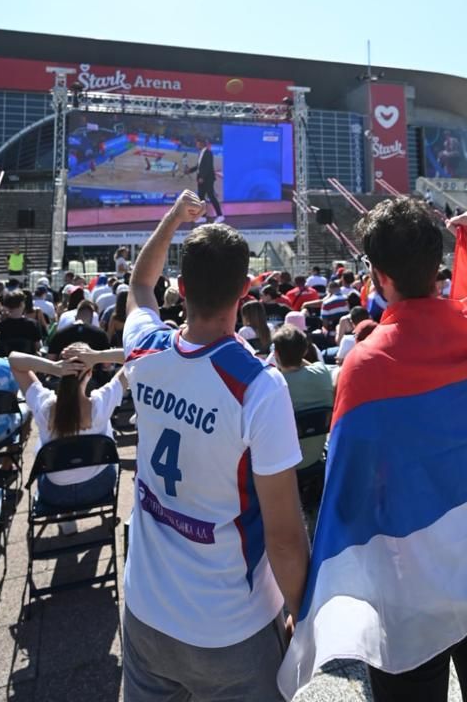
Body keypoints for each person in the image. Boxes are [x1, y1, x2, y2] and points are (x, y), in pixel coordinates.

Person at [278, 199, 467, 702]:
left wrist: (313, 594)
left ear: (380, 276)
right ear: (437, 269)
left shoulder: (367, 363)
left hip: (410, 590)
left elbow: (348, 493)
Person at [121, 189, 309, 702]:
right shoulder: (258, 387)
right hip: (233, 628)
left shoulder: (142, 349)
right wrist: (301, 608)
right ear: (245, 290)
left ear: (180, 289)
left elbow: (140, 283)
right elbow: (286, 537)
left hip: (144, 612)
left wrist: (171, 221)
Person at [8, 346, 126, 512]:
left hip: (55, 494)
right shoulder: (102, 402)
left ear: (61, 375)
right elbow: (136, 356)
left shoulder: (43, 405)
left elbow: (13, 359)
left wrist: (53, 368)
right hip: (97, 488)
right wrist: (97, 356)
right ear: (90, 373)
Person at [271, 325, 334, 470]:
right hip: (316, 457)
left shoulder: (273, 386)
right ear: (305, 351)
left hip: (284, 465)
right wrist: (297, 357)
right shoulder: (322, 373)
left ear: (276, 355)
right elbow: (310, 366)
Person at [185, 137, 224, 222]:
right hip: (201, 179)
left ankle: (220, 215)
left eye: (197, 143)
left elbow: (208, 167)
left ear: (201, 143)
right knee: (201, 198)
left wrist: (202, 177)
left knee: (211, 196)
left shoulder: (208, 153)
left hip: (207, 179)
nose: (196, 145)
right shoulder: (201, 153)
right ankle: (203, 217)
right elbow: (199, 166)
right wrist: (190, 170)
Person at [0, 290, 42, 356]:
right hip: (26, 361)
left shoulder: (0, 325)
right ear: (22, 304)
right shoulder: (32, 324)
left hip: (6, 360)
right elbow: (38, 346)